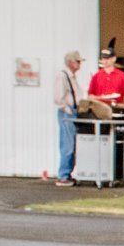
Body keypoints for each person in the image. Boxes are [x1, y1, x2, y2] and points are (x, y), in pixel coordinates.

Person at [41, 49, 83, 186]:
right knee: (68, 144)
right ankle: (63, 175)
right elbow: (58, 97)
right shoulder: (63, 76)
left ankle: (68, 174)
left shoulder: (71, 76)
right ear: (71, 62)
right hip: (68, 113)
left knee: (72, 144)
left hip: (72, 112)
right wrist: (67, 109)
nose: (80, 64)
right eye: (78, 61)